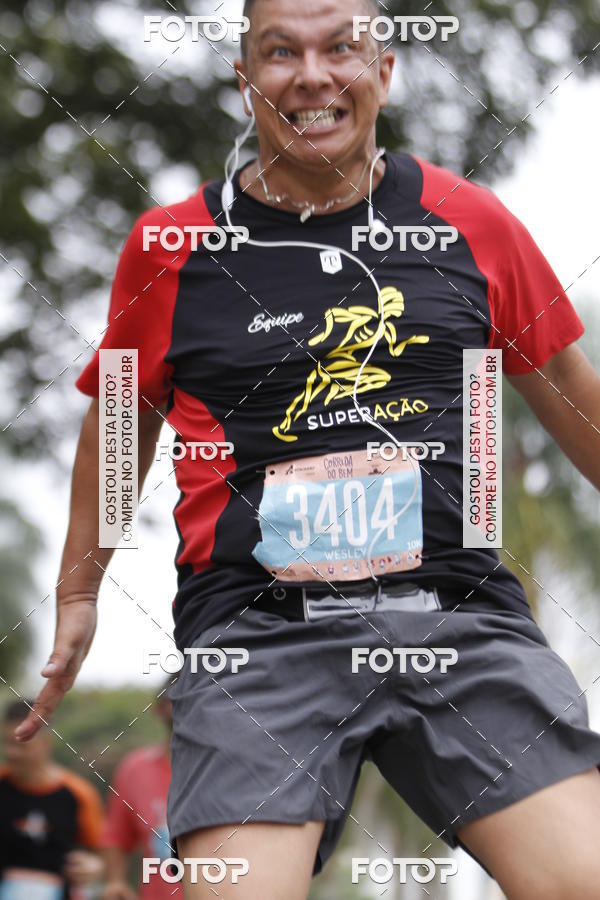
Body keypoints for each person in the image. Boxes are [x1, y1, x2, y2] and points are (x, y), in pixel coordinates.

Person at [15, 0, 600, 896]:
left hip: (461, 619)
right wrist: (77, 594)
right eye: (280, 52)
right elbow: (119, 423)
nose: (313, 76)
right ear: (244, 78)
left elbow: (580, 409)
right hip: (256, 639)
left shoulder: (468, 220)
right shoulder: (172, 247)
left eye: (342, 49)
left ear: (387, 70)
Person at [0, 699, 104, 897]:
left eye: (20, 745)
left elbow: (99, 854)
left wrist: (94, 867)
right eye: (6, 743)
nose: (12, 753)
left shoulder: (79, 793)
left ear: (46, 742)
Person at [101, 684, 174, 900]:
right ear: (159, 708)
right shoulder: (136, 769)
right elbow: (115, 836)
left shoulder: (232, 769)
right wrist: (115, 881)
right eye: (177, 695)